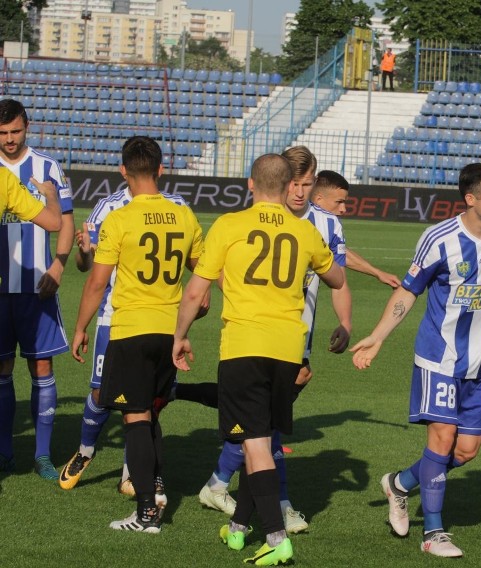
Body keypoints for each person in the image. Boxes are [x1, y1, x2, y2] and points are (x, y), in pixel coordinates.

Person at [350, 162, 481, 558]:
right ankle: (434, 533)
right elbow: (407, 292)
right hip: (438, 357)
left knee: (466, 451)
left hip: (478, 363)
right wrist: (378, 338)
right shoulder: (439, 239)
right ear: (471, 199)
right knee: (442, 438)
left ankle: (399, 484)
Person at [173, 153, 344, 566]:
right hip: (287, 350)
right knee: (261, 439)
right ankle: (237, 529)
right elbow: (336, 277)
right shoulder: (304, 231)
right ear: (289, 188)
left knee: (254, 443)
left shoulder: (230, 225)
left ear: (251, 184)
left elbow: (195, 292)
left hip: (244, 347)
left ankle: (276, 536)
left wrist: (179, 336)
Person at [71, 136, 203, 533]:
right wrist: (198, 304)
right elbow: (203, 267)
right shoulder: (183, 214)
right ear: (161, 170)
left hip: (129, 328)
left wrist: (80, 327)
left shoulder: (120, 218)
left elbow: (96, 283)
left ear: (124, 171)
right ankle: (153, 487)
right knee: (154, 409)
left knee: (135, 416)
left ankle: (146, 512)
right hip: (171, 329)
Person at [57, 185, 190, 492]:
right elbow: (85, 267)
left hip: (162, 316)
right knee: (102, 393)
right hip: (113, 314)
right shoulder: (109, 207)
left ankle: (132, 472)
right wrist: (85, 251)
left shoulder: (177, 205)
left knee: (149, 399)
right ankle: (85, 451)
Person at [0, 98, 73, 480]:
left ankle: (42, 456)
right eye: (3, 133)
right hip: (0, 290)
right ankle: (5, 451)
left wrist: (59, 265)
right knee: (3, 368)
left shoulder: (47, 167)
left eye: (15, 131)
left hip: (36, 285)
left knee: (40, 365)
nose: (10, 140)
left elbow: (65, 220)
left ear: (27, 126)